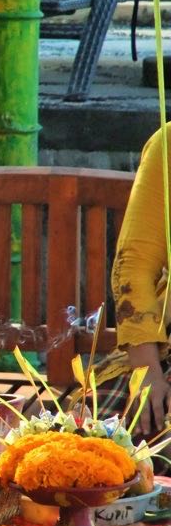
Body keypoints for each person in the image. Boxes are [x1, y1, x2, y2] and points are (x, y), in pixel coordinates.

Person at [96, 123, 171, 436]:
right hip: (160, 351)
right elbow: (133, 265)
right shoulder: (167, 144)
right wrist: (147, 371)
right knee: (103, 447)